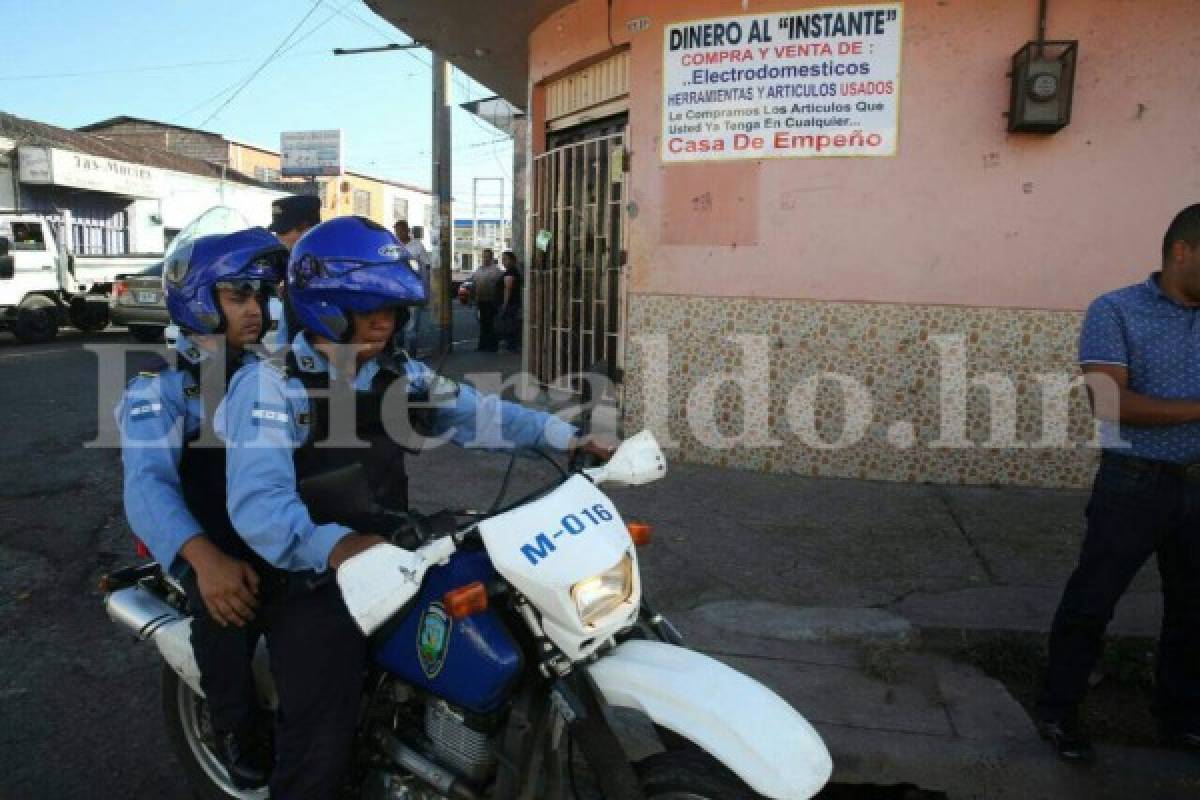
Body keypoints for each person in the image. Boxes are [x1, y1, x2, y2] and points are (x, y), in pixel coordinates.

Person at [217, 215, 611, 798]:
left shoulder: (398, 373)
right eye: (372, 307)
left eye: (394, 308)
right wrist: (336, 547)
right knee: (321, 742)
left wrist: (564, 439)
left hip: (395, 549)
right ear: (326, 304)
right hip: (309, 578)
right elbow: (259, 506)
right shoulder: (273, 386)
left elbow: (480, 414)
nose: (388, 320)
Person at [117, 227, 288, 788]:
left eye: (259, 296)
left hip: (273, 528)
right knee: (227, 617)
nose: (255, 309)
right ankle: (236, 727)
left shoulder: (268, 370)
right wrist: (204, 561)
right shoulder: (158, 390)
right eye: (238, 296)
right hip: (209, 540)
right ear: (197, 299)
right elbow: (147, 487)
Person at [1038, 203, 1200, 761]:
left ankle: (1179, 718)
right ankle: (1060, 712)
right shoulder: (1118, 310)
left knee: (1192, 610)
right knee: (1092, 601)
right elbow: (1108, 401)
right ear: (1183, 251)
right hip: (1135, 483)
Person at [394, 219, 430, 355]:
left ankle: (411, 354)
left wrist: (425, 290)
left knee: (412, 325)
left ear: (407, 230)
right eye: (396, 231)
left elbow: (427, 267)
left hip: (414, 291)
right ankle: (397, 353)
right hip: (397, 292)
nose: (398, 233)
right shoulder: (393, 246)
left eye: (400, 230)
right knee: (397, 324)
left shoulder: (417, 246)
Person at [473, 248, 505, 352]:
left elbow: (501, 287)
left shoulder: (496, 271)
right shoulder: (479, 270)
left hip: (491, 301)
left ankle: (492, 346)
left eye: (487, 256)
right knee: (483, 324)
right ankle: (482, 345)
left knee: (491, 324)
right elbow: (474, 283)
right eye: (484, 256)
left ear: (491, 257)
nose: (485, 258)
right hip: (481, 301)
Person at [498, 250, 523, 353]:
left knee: (509, 326)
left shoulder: (511, 272)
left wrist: (504, 304)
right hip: (512, 303)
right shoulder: (511, 271)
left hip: (510, 304)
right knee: (510, 325)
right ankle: (511, 346)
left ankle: (511, 347)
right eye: (502, 259)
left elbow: (508, 289)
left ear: (513, 260)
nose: (504, 262)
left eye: (506, 259)